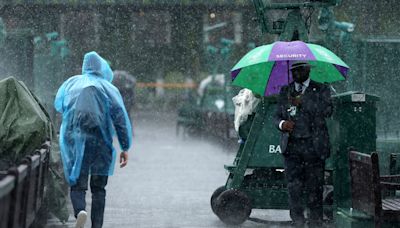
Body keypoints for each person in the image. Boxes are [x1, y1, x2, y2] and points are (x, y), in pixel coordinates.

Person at [54, 51, 132, 228]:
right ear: (101, 68)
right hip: (100, 143)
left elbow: (59, 105)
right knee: (99, 189)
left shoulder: (72, 83)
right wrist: (124, 147)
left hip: (76, 142)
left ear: (84, 66)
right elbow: (120, 119)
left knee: (77, 185)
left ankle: (80, 210)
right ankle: (96, 225)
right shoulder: (109, 88)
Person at [274, 61, 333, 227]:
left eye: (299, 69)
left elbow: (328, 111)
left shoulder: (322, 89)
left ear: (308, 69)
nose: (295, 73)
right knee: (294, 187)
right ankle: (297, 221)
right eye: (293, 70)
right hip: (292, 147)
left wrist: (304, 103)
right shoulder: (286, 90)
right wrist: (282, 124)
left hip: (314, 147)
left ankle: (315, 222)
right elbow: (276, 116)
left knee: (315, 187)